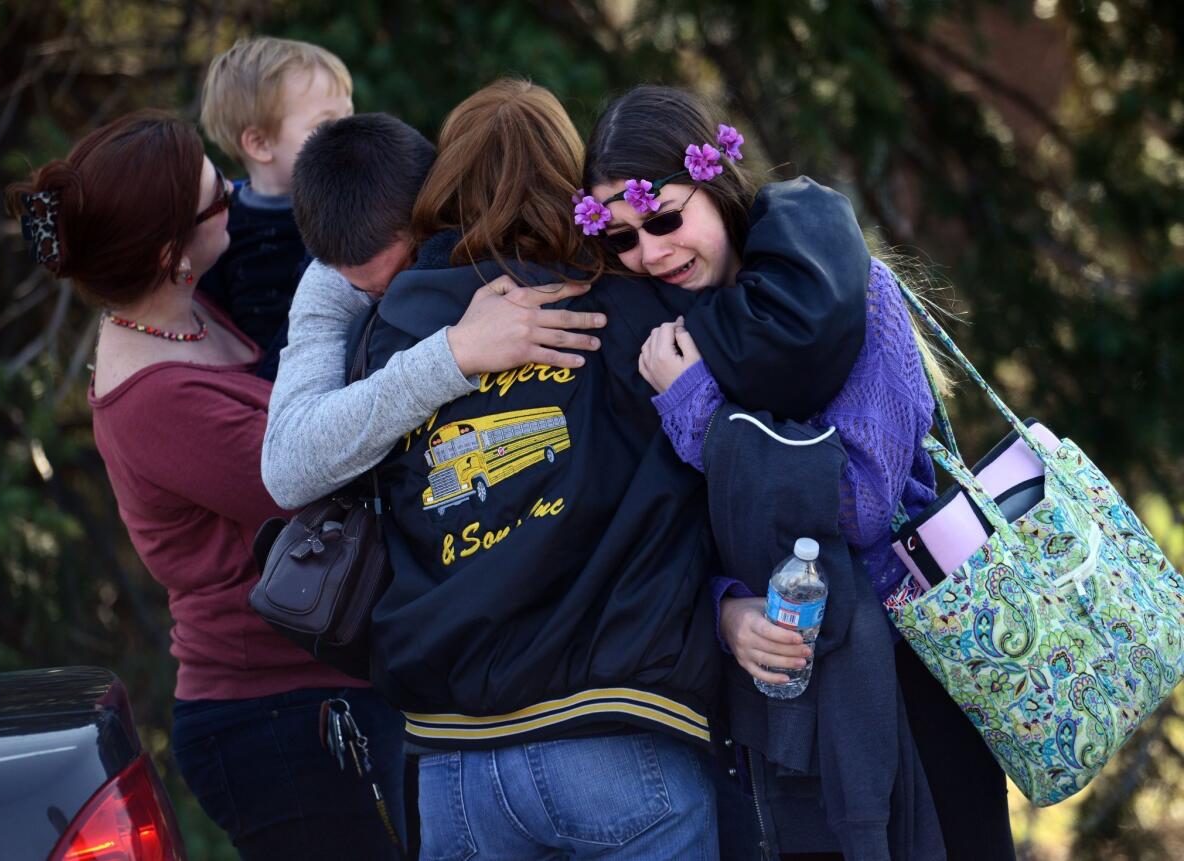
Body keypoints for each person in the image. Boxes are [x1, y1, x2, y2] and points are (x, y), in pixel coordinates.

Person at [354, 78, 870, 860]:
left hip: (450, 758)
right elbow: (783, 352)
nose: (648, 248)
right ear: (573, 190)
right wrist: (801, 207)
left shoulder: (393, 334)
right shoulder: (638, 312)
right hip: (619, 735)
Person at [582, 85, 1015, 860]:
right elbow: (671, 529)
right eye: (621, 240)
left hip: (911, 671)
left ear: (715, 186)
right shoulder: (658, 338)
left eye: (666, 219)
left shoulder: (850, 296)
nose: (649, 253)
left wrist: (696, 411)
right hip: (771, 715)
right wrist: (725, 613)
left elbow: (858, 503)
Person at [6, 111, 406, 861]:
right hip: (276, 718)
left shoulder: (183, 309)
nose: (232, 191)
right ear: (169, 253)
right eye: (216, 198)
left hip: (319, 688)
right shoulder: (158, 403)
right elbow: (321, 465)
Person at [261, 112, 608, 510]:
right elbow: (286, 468)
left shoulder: (492, 223)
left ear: (437, 205)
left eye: (405, 270)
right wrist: (455, 353)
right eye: (366, 290)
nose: (393, 299)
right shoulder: (329, 279)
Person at [197, 37, 354, 380]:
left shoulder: (360, 196)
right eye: (326, 125)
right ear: (260, 144)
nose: (349, 134)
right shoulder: (222, 228)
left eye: (349, 116)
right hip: (278, 393)